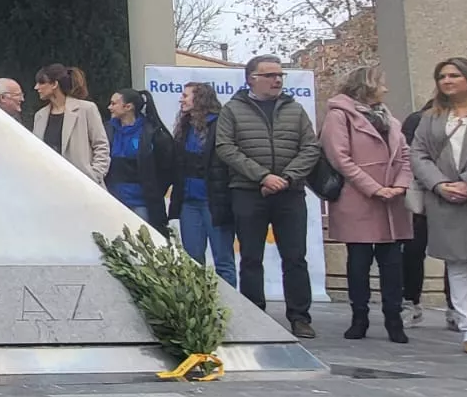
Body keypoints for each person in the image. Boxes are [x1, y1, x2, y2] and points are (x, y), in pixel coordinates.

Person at [214, 54, 321, 339]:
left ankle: (300, 317)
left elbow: (310, 148)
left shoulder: (295, 110)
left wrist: (285, 178)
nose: (277, 80)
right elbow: (225, 148)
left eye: (280, 75)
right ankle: (255, 315)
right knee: (250, 257)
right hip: (249, 193)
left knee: (295, 257)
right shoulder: (232, 110)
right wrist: (262, 176)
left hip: (290, 193)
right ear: (252, 79)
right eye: (270, 75)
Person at [320, 65, 411, 343]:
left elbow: (406, 155)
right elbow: (340, 158)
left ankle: (394, 319)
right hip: (356, 198)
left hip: (392, 201)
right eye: (381, 83)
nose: (386, 89)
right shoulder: (338, 116)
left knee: (393, 262)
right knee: (359, 261)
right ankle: (359, 317)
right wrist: (374, 188)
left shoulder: (391, 119)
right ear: (367, 85)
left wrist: (399, 185)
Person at [409, 57, 467, 356]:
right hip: (445, 200)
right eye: (442, 76)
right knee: (459, 265)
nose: (447, 81)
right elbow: (418, 154)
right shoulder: (432, 117)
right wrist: (439, 184)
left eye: (454, 75)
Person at [169, 82, 236, 286]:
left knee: (223, 260)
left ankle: (228, 309)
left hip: (214, 201)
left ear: (200, 99)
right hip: (189, 202)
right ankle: (198, 310)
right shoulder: (184, 126)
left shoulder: (220, 124)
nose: (181, 99)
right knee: (192, 261)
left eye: (186, 95)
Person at [401, 99, 455, 330]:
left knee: (455, 255)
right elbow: (408, 156)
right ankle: (411, 302)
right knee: (413, 250)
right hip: (423, 194)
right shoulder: (417, 120)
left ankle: (455, 308)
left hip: (455, 195)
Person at [104, 88, 176, 234]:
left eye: (114, 103)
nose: (109, 107)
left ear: (128, 107)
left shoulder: (153, 133)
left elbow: (167, 168)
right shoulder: (107, 130)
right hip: (112, 201)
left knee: (142, 244)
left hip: (141, 204)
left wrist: (154, 191)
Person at [32, 64, 109, 184]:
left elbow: (101, 145)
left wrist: (95, 174)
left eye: (42, 83)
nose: (37, 87)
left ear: (54, 84)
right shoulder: (40, 116)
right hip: (49, 183)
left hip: (82, 184)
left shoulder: (86, 109)